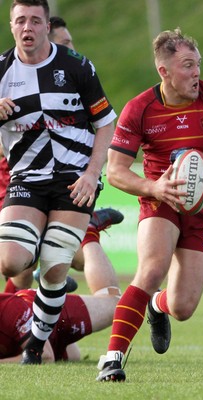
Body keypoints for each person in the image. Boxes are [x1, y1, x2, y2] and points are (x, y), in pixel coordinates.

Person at [96, 28, 203, 382]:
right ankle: (112, 358)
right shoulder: (140, 108)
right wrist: (153, 187)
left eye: (198, 64)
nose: (196, 72)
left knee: (182, 307)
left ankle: (157, 306)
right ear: (164, 71)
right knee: (152, 270)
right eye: (187, 65)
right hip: (160, 200)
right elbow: (117, 171)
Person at [0, 0, 117, 365]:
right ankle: (44, 240)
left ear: (47, 25)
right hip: (27, 177)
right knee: (11, 262)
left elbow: (106, 123)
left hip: (73, 179)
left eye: (35, 20)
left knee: (53, 269)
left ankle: (36, 344)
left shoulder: (77, 66)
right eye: (21, 20)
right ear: (11, 25)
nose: (27, 27)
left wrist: (92, 173)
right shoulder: (1, 70)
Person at [0, 230, 121, 363]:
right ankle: (52, 286)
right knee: (73, 355)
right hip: (45, 337)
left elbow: (44, 356)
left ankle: (89, 233)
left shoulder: (10, 310)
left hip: (49, 316)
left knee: (116, 304)